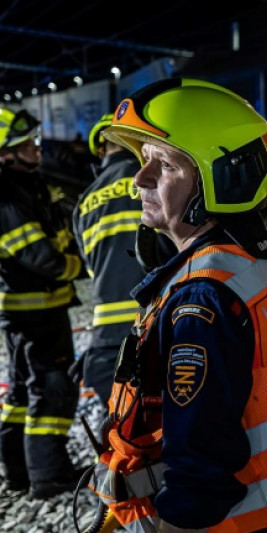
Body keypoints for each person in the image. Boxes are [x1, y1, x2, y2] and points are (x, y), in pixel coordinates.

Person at [91, 79, 267, 532]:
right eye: (144, 158)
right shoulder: (261, 255)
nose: (140, 178)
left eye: (165, 165)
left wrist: (177, 524)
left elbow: (201, 457)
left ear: (222, 179)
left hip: (246, 516)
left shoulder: (201, 299)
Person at [0, 107, 84, 499]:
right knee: (52, 391)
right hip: (37, 313)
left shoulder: (22, 187)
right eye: (26, 144)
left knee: (21, 394)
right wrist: (78, 266)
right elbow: (39, 257)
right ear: (5, 154)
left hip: (28, 312)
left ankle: (19, 472)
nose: (36, 148)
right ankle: (49, 475)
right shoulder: (8, 197)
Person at [72, 113, 173, 406]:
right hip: (158, 322)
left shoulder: (84, 203)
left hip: (107, 340)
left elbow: (92, 268)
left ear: (101, 150)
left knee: (126, 438)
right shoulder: (155, 178)